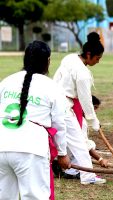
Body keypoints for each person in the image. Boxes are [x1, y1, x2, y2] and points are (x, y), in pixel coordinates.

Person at [0, 41, 70, 199]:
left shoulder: (5, 82)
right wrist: (62, 153)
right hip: (31, 150)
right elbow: (59, 123)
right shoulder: (52, 86)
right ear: (48, 61)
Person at [53, 32, 106, 185]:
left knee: (75, 137)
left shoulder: (69, 58)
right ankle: (88, 177)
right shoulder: (82, 73)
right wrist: (94, 120)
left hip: (56, 102)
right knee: (79, 143)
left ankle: (65, 167)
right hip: (63, 106)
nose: (98, 61)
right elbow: (86, 99)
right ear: (88, 54)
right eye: (97, 58)